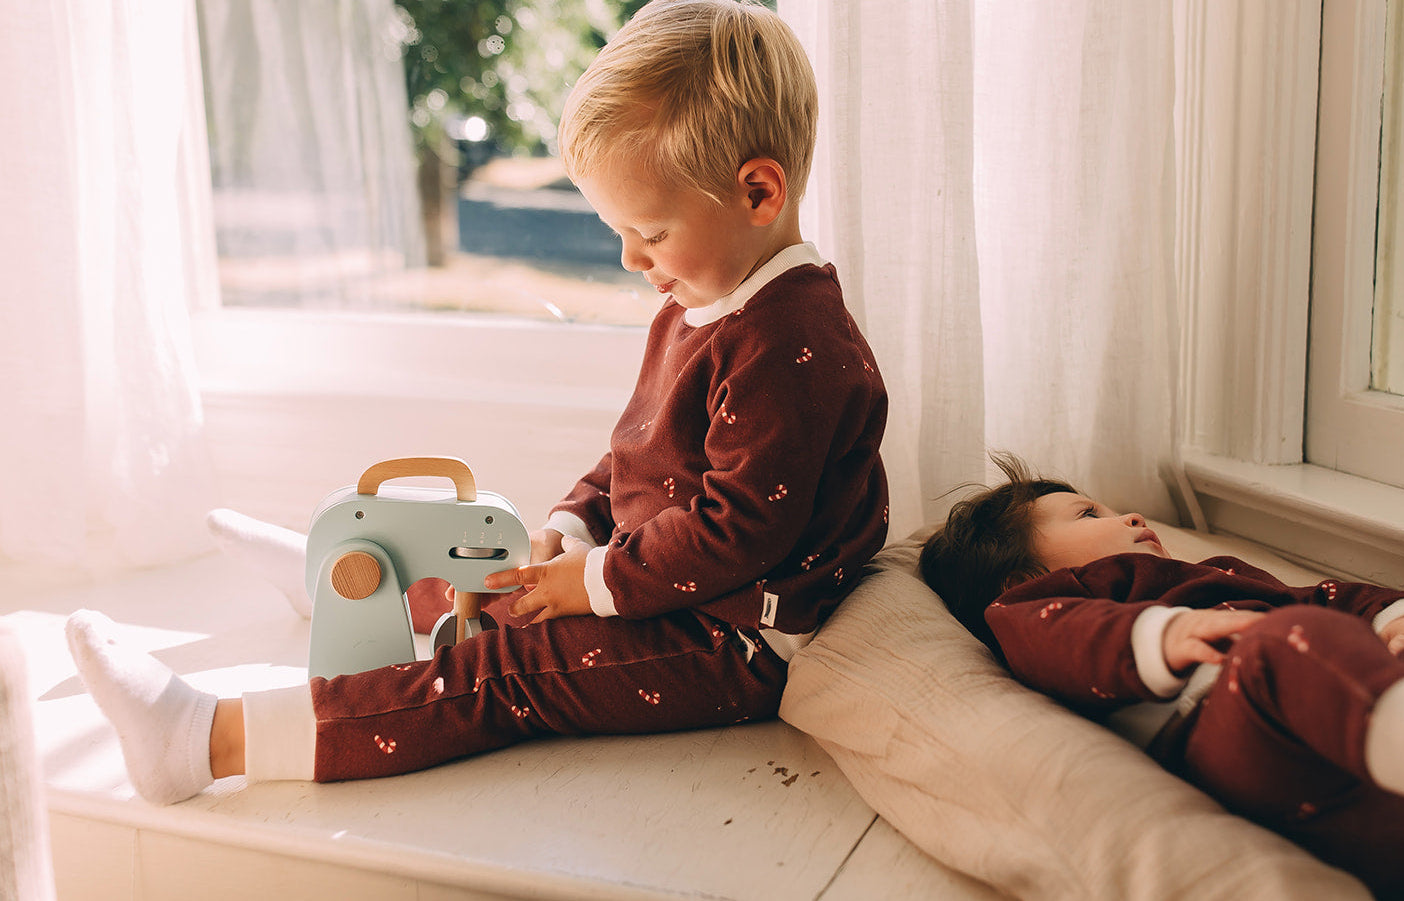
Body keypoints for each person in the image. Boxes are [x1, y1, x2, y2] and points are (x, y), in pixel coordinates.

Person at [67, 0, 889, 808]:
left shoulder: (791, 347)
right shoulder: (703, 296)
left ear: (757, 192)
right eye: (618, 229)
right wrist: (572, 530)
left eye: (650, 230)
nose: (630, 256)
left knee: (501, 676)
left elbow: (737, 531)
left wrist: (592, 582)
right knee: (501, 574)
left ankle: (200, 739)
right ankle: (351, 584)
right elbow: (637, 453)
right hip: (659, 576)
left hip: (734, 635)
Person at [919, 452, 1404, 900]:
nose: (1126, 513)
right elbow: (1062, 640)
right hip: (1272, 752)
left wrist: (1403, 618)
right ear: (1022, 576)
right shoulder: (1032, 606)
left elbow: (1327, 599)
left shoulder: (1218, 573)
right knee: (1285, 646)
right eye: (1088, 513)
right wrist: (1166, 633)